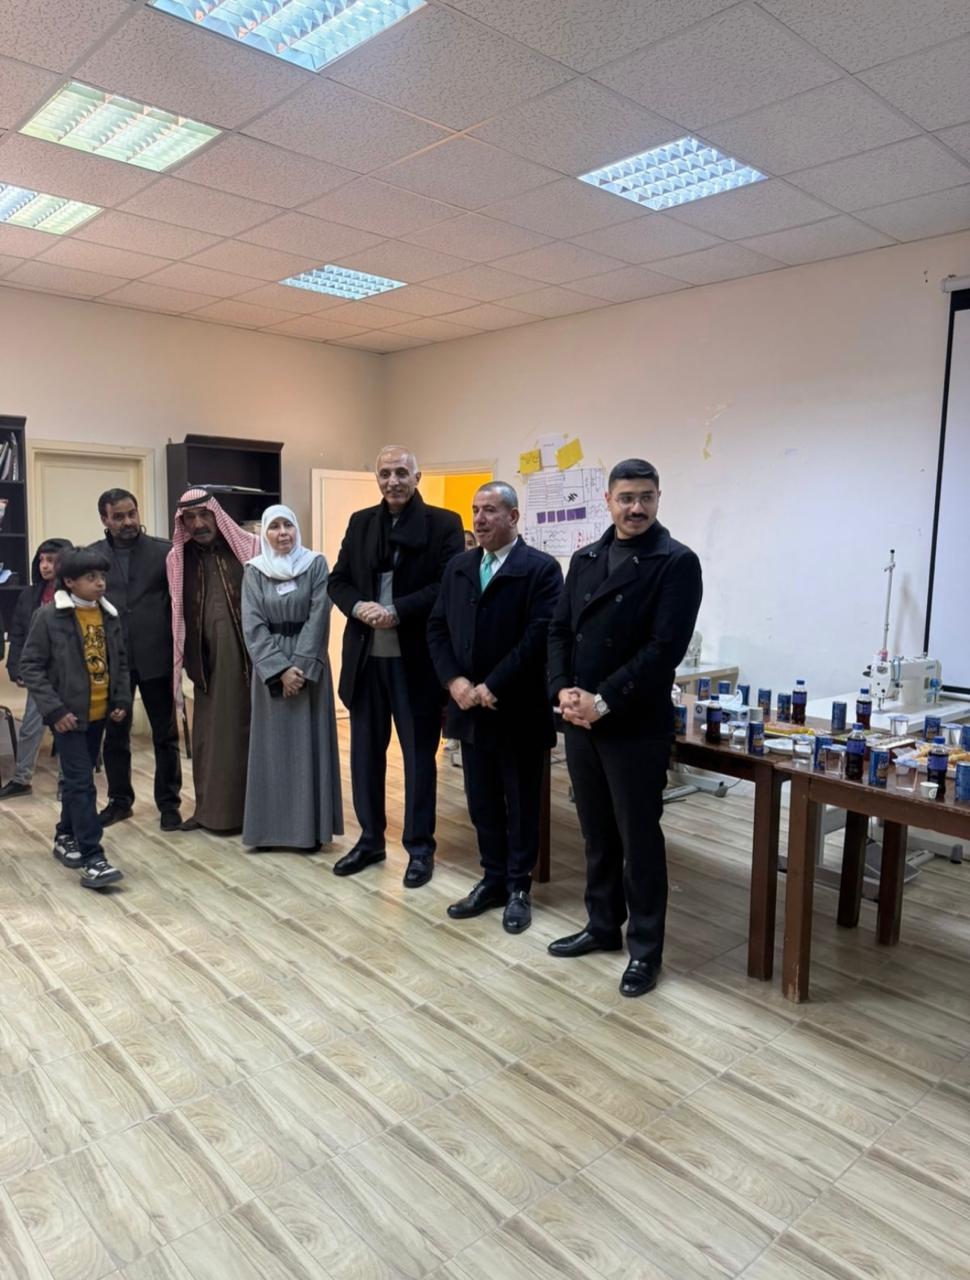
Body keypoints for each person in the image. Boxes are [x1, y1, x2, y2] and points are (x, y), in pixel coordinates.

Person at [547, 459, 702, 998]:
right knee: (596, 831)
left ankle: (645, 950)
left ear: (658, 499)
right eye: (626, 498)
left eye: (646, 497)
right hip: (580, 719)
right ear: (608, 501)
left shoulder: (676, 561)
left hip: (633, 722)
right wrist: (562, 689)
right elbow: (559, 630)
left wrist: (604, 700)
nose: (636, 508)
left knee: (638, 838)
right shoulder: (585, 558)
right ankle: (601, 925)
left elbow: (664, 649)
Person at [428, 482, 562, 932]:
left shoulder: (540, 569)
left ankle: (519, 886)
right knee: (481, 801)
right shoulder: (460, 567)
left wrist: (493, 685)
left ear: (513, 517)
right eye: (475, 510)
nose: (479, 519)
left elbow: (539, 635)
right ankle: (492, 879)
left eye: (490, 510)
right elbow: (437, 628)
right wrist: (454, 681)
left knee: (521, 803)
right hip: (469, 707)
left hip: (516, 710)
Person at [328, 446, 463, 886]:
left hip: (416, 661)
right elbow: (338, 580)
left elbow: (446, 584)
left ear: (417, 477)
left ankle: (420, 848)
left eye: (402, 472)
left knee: (420, 760)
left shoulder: (444, 524)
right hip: (366, 659)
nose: (393, 481)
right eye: (385, 473)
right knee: (365, 757)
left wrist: (397, 610)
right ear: (377, 478)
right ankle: (370, 840)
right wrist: (358, 607)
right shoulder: (361, 523)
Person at [18, 547, 131, 888]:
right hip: (67, 718)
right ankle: (93, 857)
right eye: (90, 577)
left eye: (102, 576)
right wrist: (55, 710)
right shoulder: (49, 617)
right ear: (69, 581)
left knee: (75, 781)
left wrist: (121, 699)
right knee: (82, 783)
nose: (100, 583)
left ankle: (65, 834)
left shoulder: (109, 615)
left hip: (99, 715)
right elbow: (31, 667)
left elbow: (120, 661)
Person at [241, 505, 343, 850]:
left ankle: (308, 831)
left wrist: (299, 668)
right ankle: (269, 831)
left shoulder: (315, 564)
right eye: (274, 527)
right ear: (264, 533)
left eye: (288, 525)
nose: (282, 532)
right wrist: (279, 670)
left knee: (307, 748)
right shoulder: (254, 570)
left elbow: (319, 615)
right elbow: (252, 624)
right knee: (272, 750)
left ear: (296, 528)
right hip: (270, 669)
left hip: (309, 665)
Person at [166, 488, 259, 834]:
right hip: (206, 665)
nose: (198, 524)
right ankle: (211, 812)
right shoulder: (179, 559)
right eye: (190, 518)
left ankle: (256, 815)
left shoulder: (248, 548)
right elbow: (176, 611)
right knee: (209, 738)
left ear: (217, 514)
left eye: (204, 515)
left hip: (253, 661)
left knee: (250, 734)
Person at [88, 488, 182, 830]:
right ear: (104, 519)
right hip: (114, 663)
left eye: (131, 514)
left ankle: (169, 804)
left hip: (157, 656)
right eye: (118, 517)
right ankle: (119, 801)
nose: (127, 522)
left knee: (165, 735)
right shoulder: (92, 556)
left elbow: (178, 602)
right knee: (115, 735)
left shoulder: (164, 552)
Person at [0, 537, 71, 798]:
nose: (45, 565)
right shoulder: (30, 595)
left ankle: (66, 781)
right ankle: (22, 779)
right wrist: (16, 668)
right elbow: (19, 633)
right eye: (41, 560)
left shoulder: (75, 593)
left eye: (51, 560)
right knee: (30, 727)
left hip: (69, 674)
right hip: (40, 674)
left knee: (66, 728)